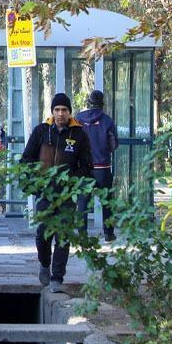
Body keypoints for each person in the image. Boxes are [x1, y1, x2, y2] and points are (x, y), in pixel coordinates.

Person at [21, 94, 92, 293]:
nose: (60, 114)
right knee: (42, 234)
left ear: (70, 112)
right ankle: (45, 263)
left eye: (64, 110)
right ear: (52, 112)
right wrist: (32, 184)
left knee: (62, 236)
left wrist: (73, 182)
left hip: (67, 195)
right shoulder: (42, 132)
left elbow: (86, 165)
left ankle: (57, 278)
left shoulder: (79, 135)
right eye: (57, 110)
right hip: (45, 193)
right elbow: (27, 159)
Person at [75, 90, 118, 241]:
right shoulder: (107, 120)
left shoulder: (78, 119)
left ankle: (82, 234)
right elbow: (114, 145)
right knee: (106, 202)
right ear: (102, 103)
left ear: (88, 102)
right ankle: (109, 233)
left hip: (84, 168)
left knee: (83, 201)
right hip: (103, 168)